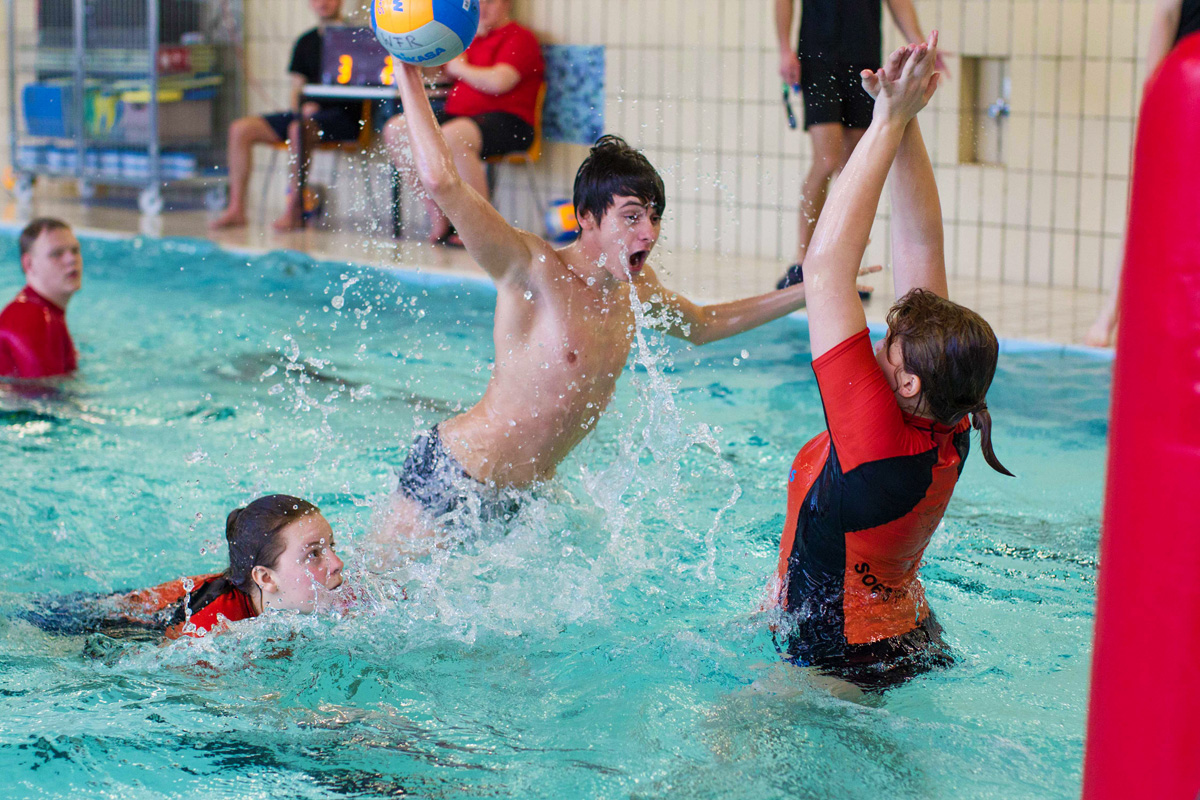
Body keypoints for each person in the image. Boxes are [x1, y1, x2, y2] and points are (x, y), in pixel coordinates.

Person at [382, 61, 878, 536]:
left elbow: (704, 325)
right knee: (375, 591)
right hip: (454, 479)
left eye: (654, 217)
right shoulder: (531, 269)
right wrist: (407, 72)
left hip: (525, 499)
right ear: (586, 217)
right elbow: (442, 181)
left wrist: (812, 288)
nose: (649, 232)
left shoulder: (636, 291)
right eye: (632, 216)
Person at [769, 34, 1012, 692]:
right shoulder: (951, 416)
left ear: (906, 382)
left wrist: (882, 123)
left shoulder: (875, 440)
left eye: (886, 345)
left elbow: (825, 269)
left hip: (839, 659)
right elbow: (920, 240)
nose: (874, 342)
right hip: (904, 633)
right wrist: (905, 120)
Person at [773, 0, 944, 290]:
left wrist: (919, 44)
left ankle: (842, 266)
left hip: (862, 54)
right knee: (827, 159)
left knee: (855, 165)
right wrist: (784, 49)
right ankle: (802, 261)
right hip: (818, 55)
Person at [23, 495, 346, 641]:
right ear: (265, 577)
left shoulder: (334, 593)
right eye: (313, 554)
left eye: (331, 546)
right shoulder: (213, 630)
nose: (337, 564)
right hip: (103, 621)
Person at [1085, 0, 1200, 347]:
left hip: (1185, 89)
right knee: (1151, 207)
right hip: (1187, 90)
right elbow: (1165, 15)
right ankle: (1111, 313)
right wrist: (1155, 101)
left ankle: (1112, 316)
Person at [383, 0, 544, 247]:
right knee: (396, 130)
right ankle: (439, 215)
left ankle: (482, 229)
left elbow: (499, 82)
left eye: (491, 1)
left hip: (510, 122)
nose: (484, 7)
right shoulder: (464, 38)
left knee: (454, 136)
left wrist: (460, 68)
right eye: (479, 1)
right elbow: (436, 73)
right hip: (460, 117)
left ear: (507, 3)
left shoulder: (520, 37)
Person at [209, 0, 363, 232]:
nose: (323, 2)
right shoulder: (306, 42)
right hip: (306, 115)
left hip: (344, 118)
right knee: (240, 129)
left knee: (296, 129)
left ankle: (294, 210)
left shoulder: (357, 39)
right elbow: (296, 89)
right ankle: (236, 209)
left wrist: (312, 112)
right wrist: (301, 110)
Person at [0, 218, 81, 380]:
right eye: (57, 254)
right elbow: (44, 394)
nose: (72, 259)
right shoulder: (31, 318)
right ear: (29, 264)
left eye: (75, 250)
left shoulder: (44, 312)